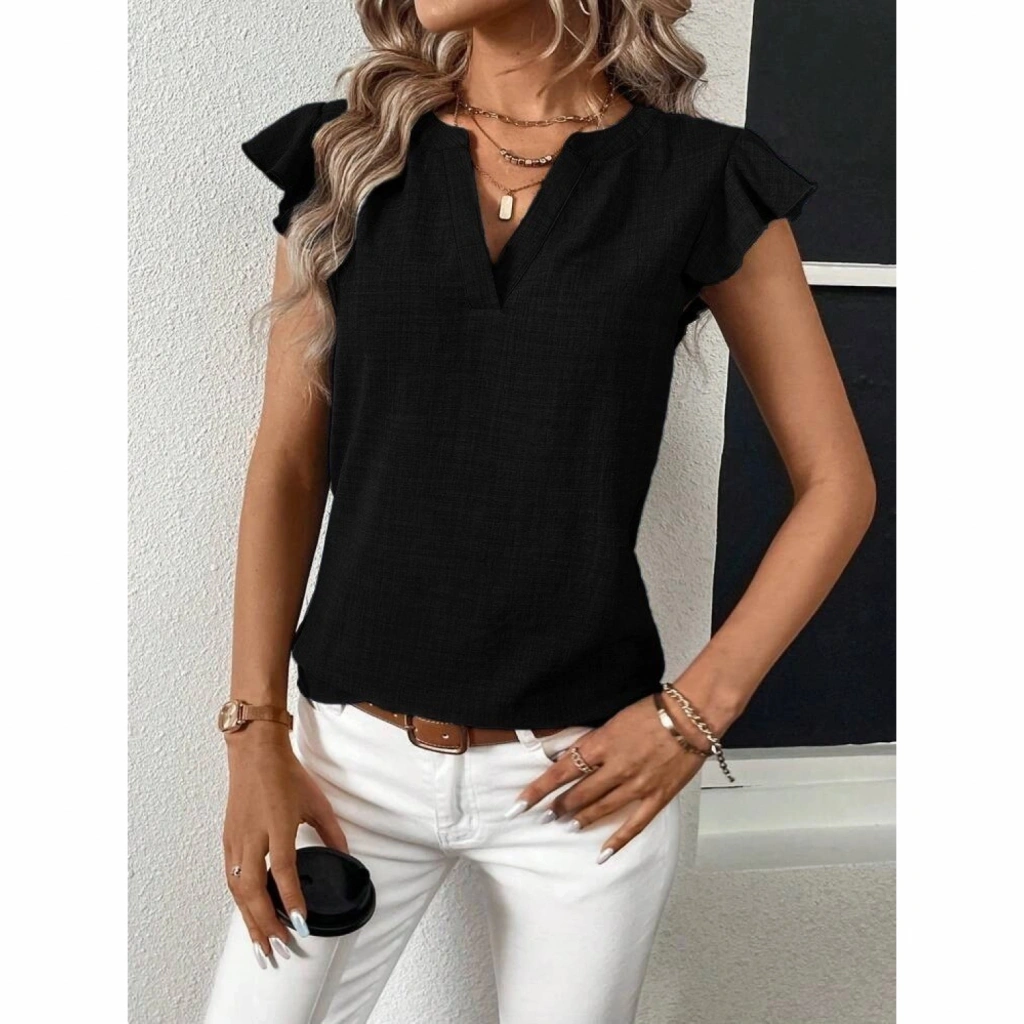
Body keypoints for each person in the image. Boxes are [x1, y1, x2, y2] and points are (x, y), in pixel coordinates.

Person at [204, 2, 876, 1022]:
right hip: (346, 769)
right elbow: (289, 462)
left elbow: (837, 484)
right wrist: (255, 732)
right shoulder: (345, 156)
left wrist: (694, 716)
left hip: (584, 777)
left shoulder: (700, 180)